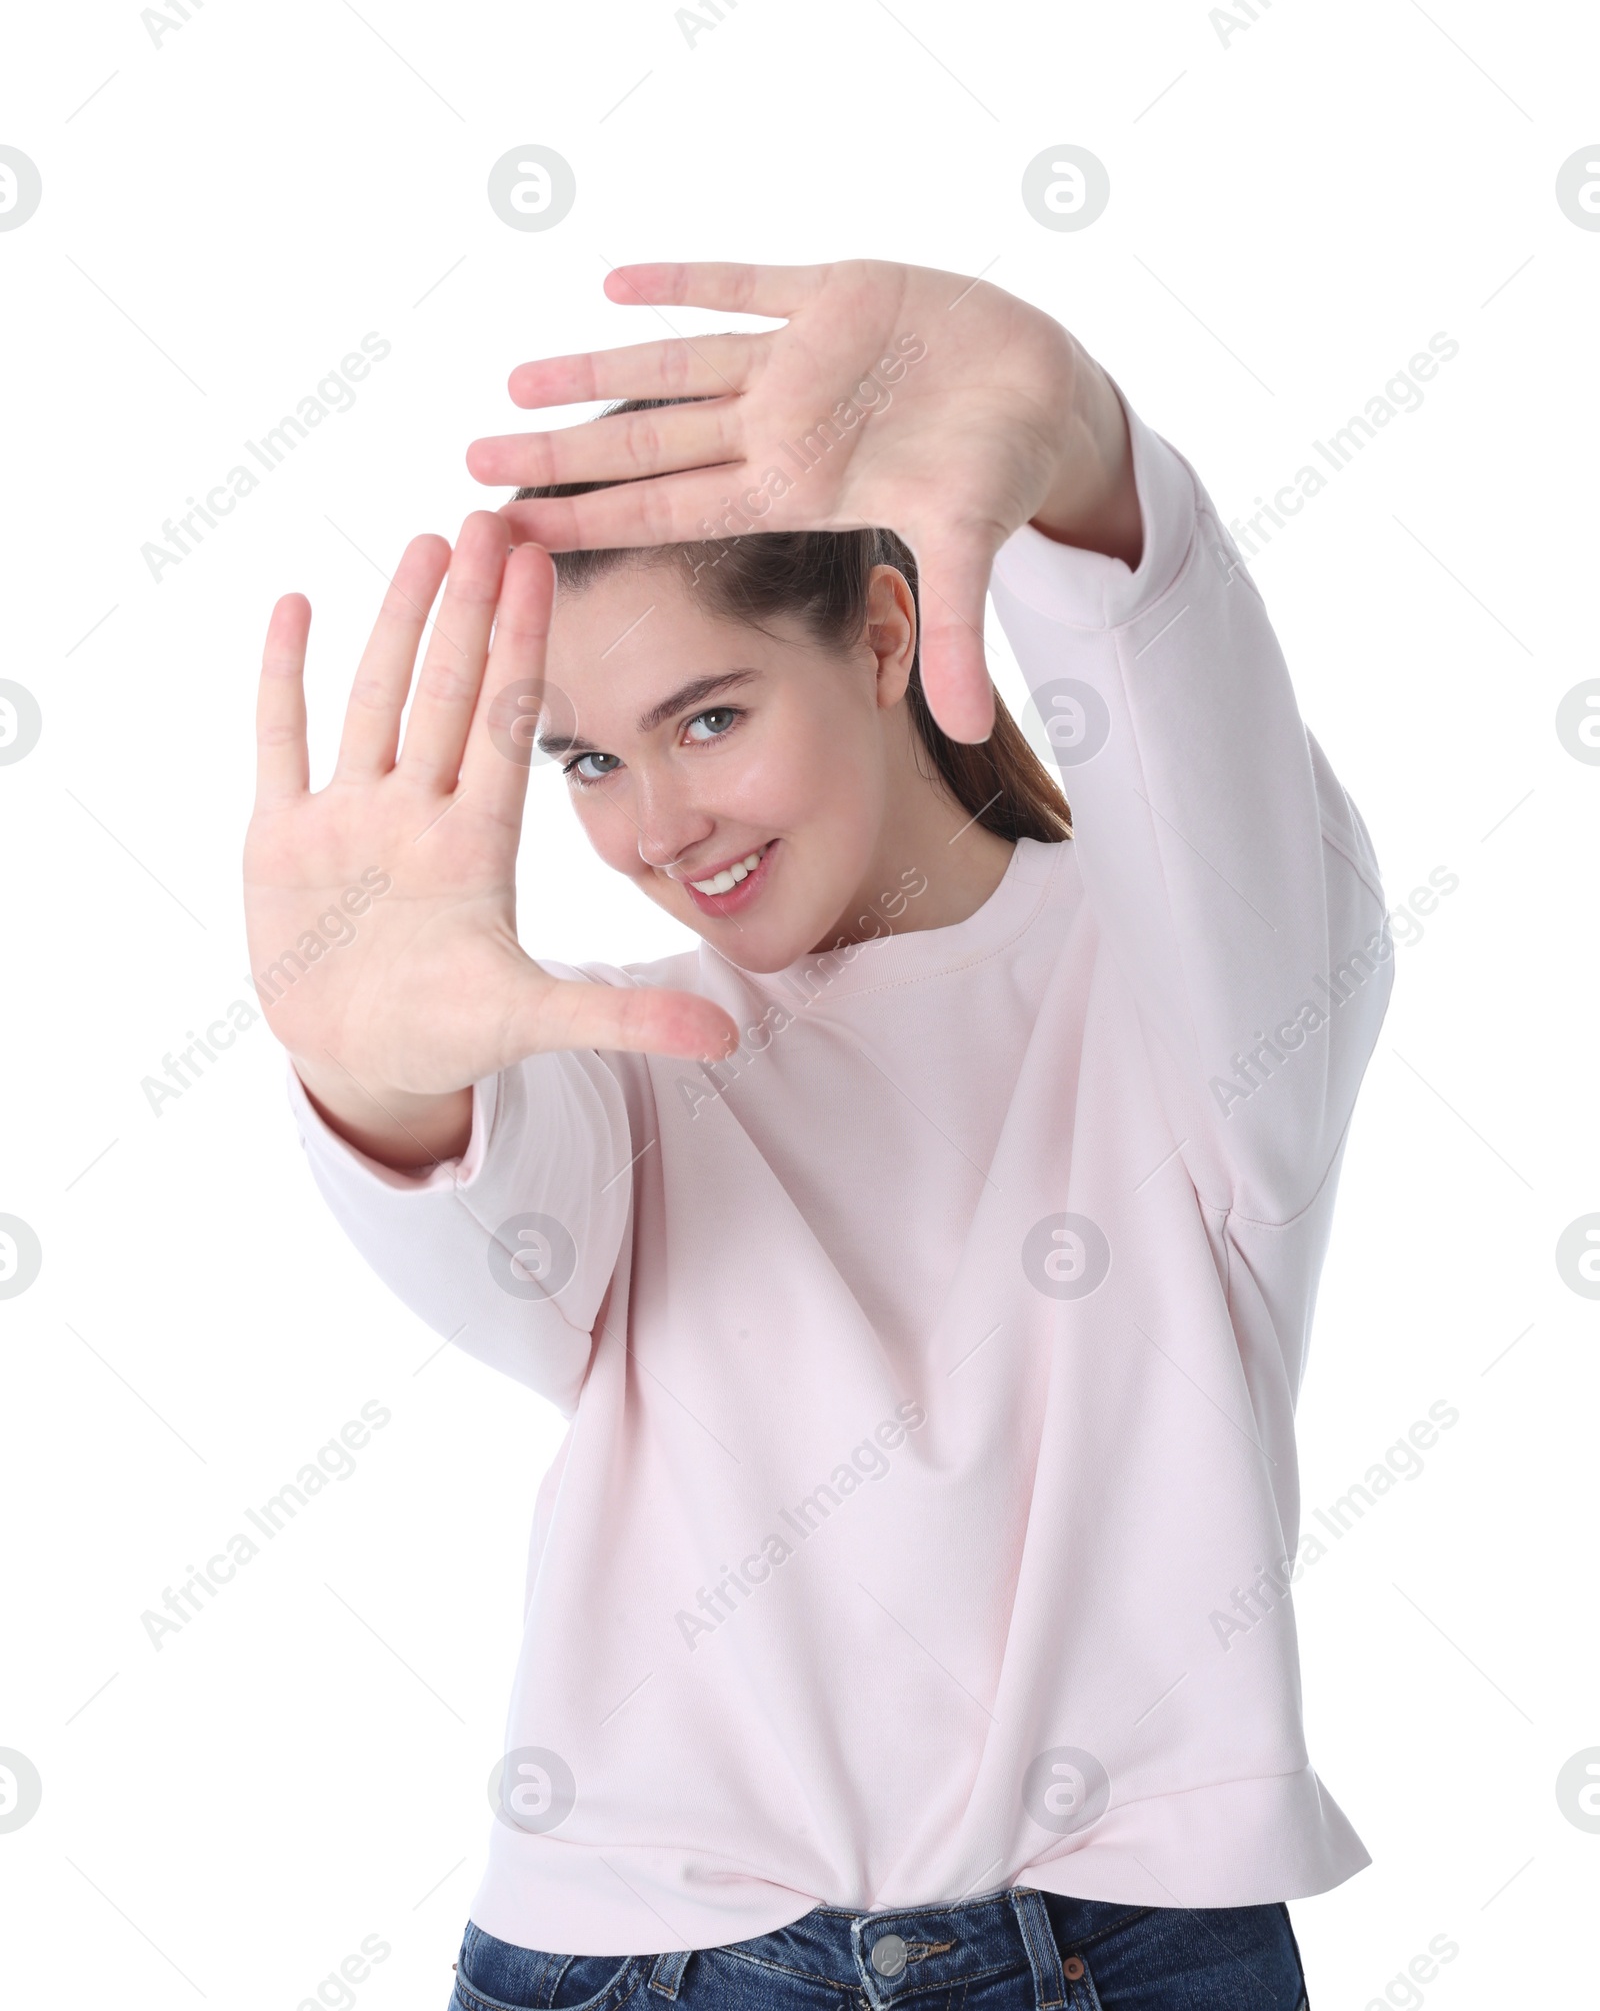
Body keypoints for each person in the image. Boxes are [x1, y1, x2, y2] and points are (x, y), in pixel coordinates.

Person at [244, 259, 1395, 2010]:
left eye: (707, 718)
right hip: (642, 1960)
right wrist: (381, 1072)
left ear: (876, 637)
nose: (655, 826)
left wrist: (1087, 463)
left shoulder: (1183, 987)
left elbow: (1208, 770)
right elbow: (495, 1224)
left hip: (1117, 1951)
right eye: (590, 763)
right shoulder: (625, 1058)